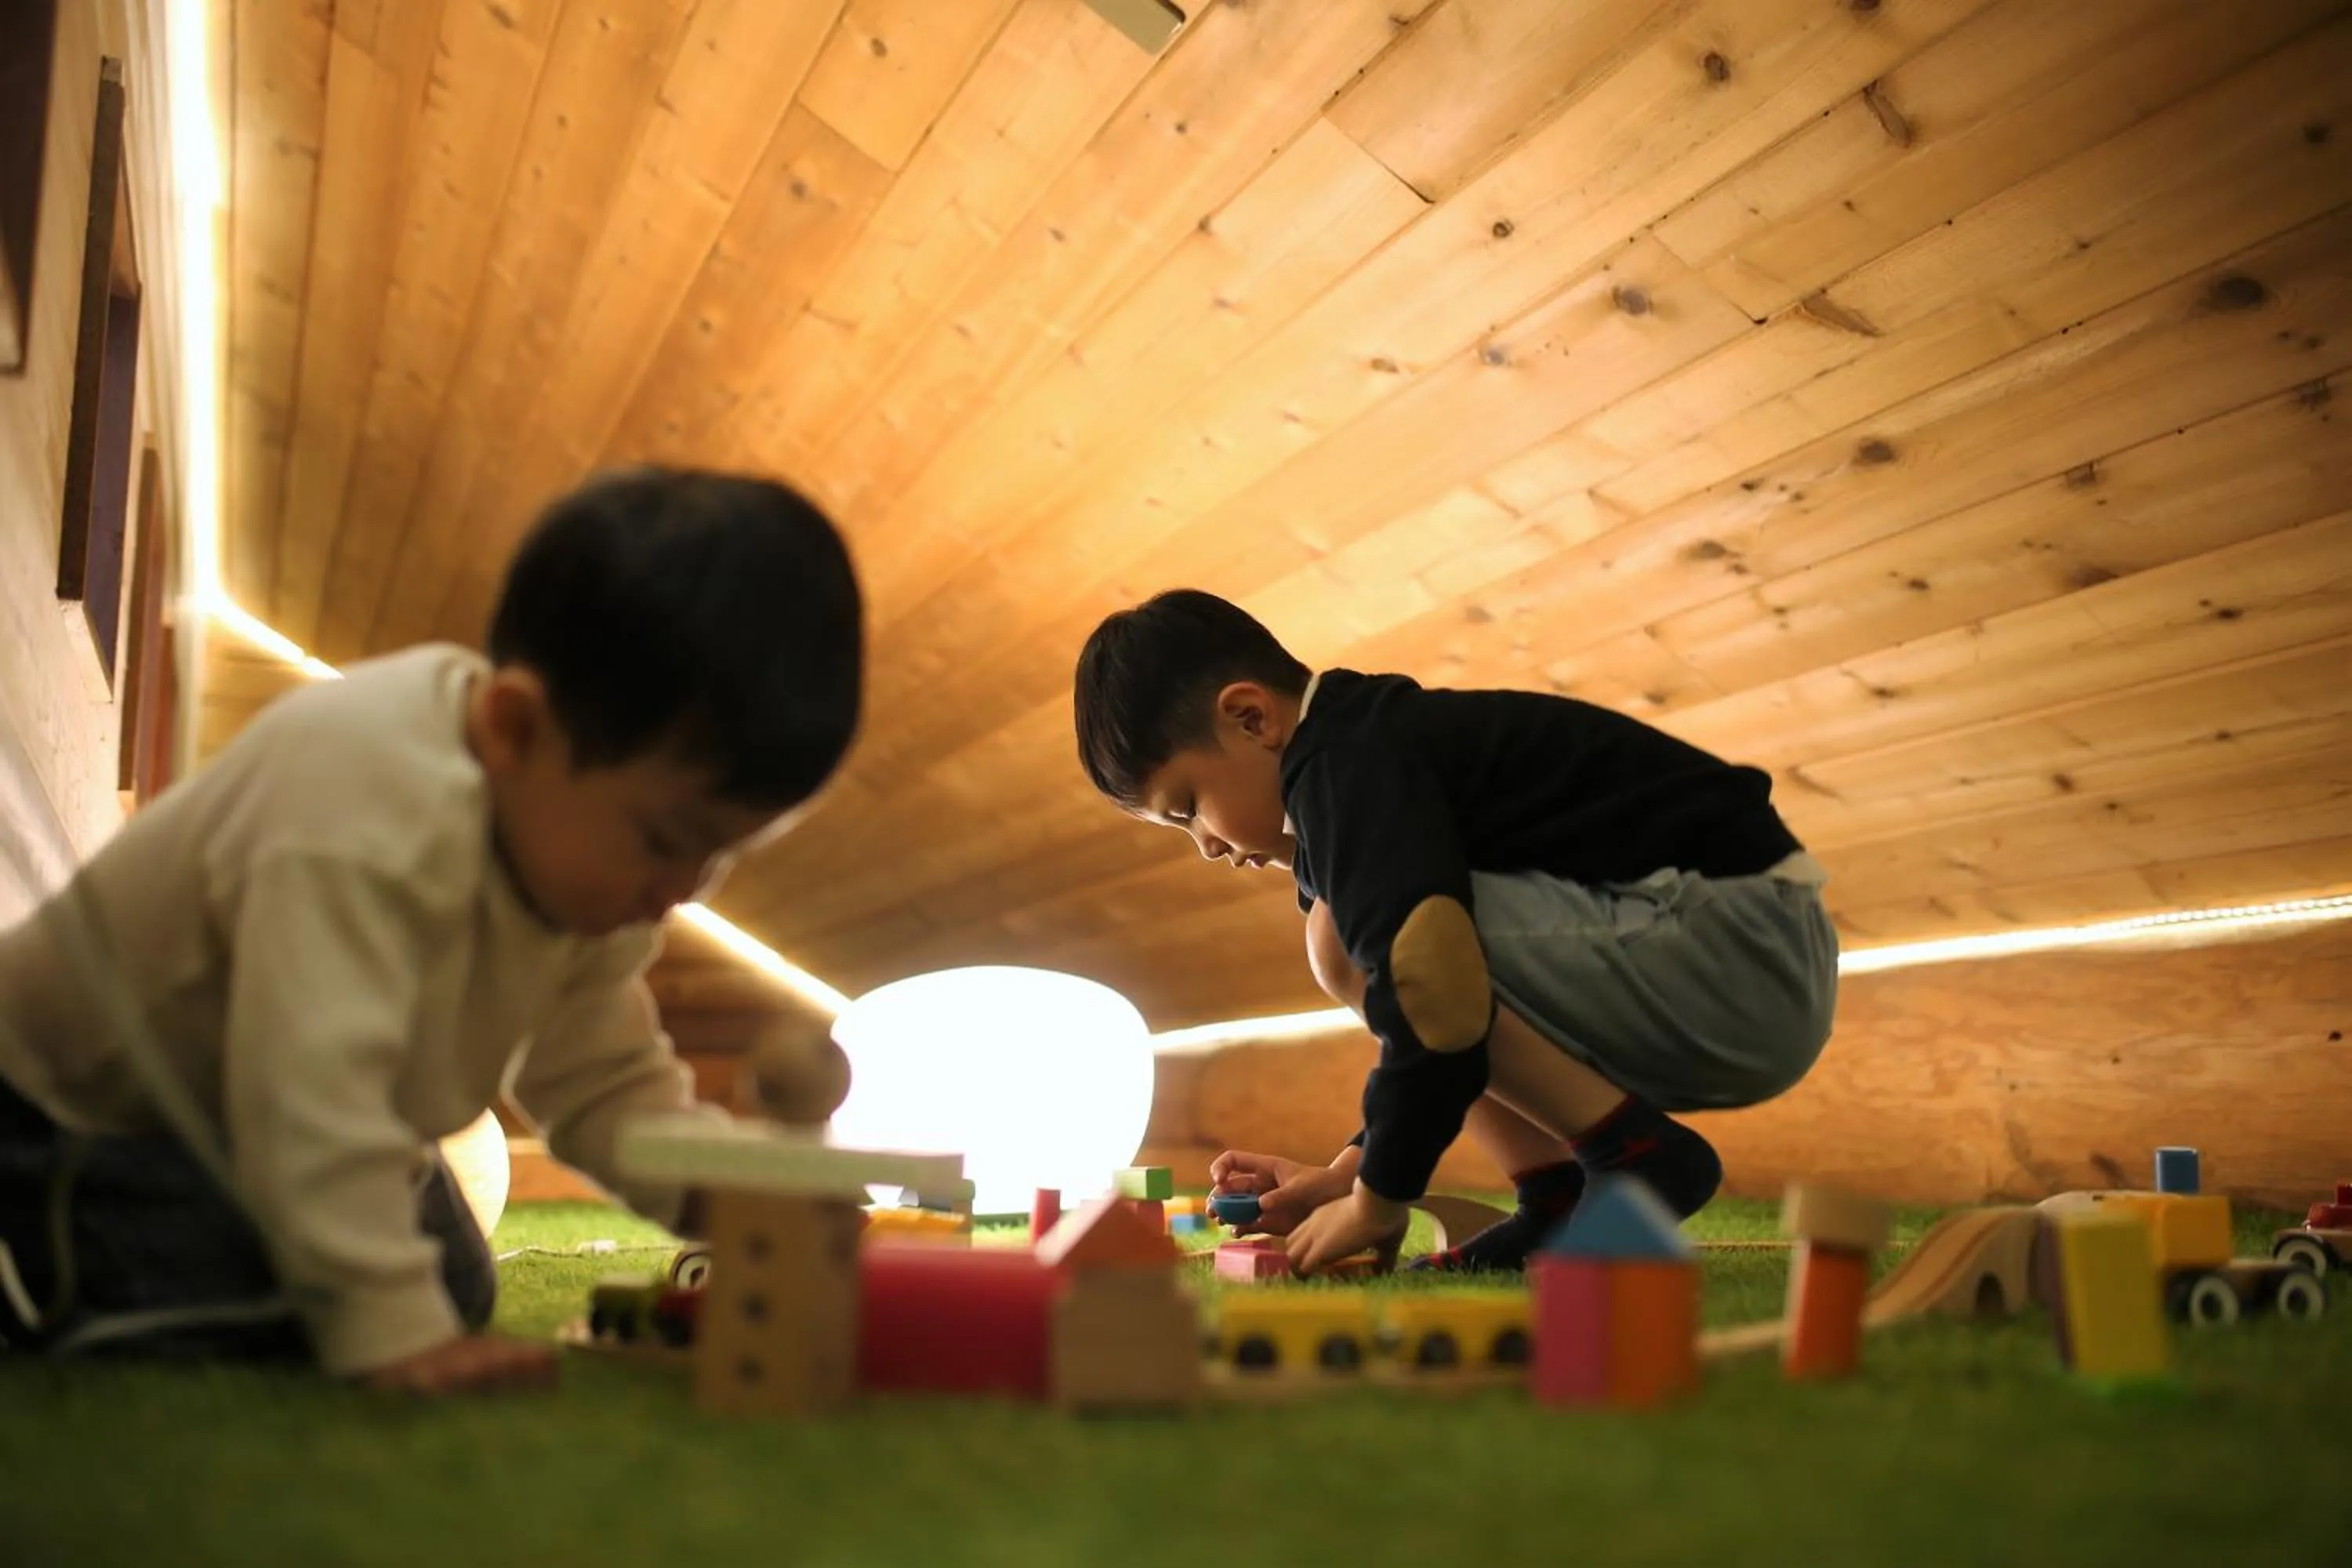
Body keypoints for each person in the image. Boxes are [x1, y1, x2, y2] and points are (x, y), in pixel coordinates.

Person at [0, 468, 862, 1392]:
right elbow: (310, 1091)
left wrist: (730, 1197)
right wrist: (389, 1334)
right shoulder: (358, 804)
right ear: (513, 727)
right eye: (666, 842)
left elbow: (606, 1084)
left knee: (450, 1285)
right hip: (71, 1112)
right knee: (315, 1304)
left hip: (244, 1120)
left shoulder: (586, 874)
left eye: (717, 858)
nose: (677, 894)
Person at [1073, 590, 1837, 1276]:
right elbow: (1445, 1019)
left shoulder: (1344, 760)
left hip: (1745, 954)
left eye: (1186, 806)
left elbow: (1435, 988)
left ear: (1252, 717)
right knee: (1388, 943)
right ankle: (1556, 1190)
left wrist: (1379, 1197)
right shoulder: (1362, 752)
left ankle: (1634, 1153)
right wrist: (1350, 1169)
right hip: (1735, 959)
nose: (1204, 844)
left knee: (1360, 944)